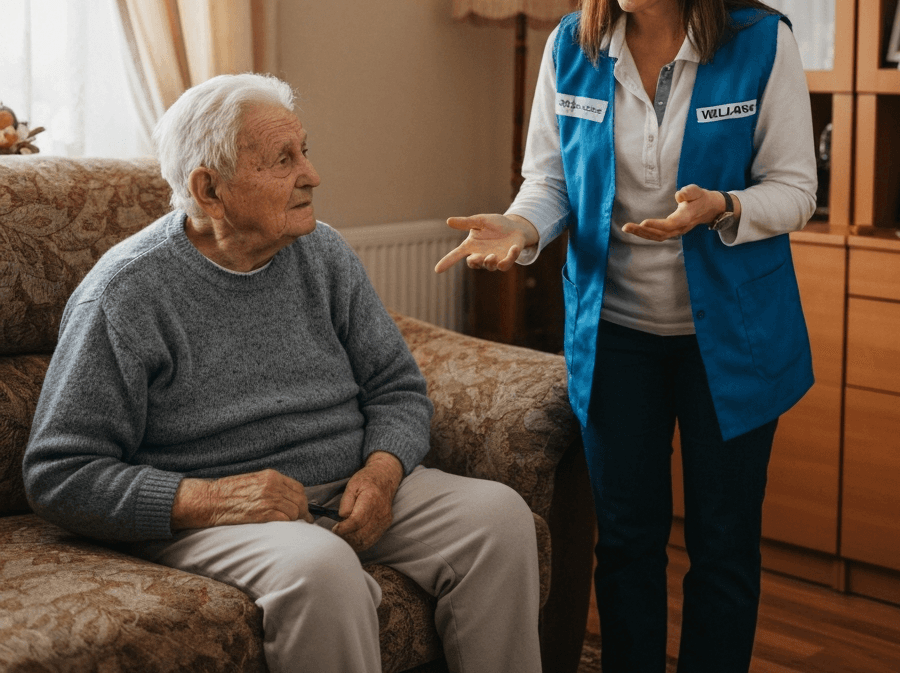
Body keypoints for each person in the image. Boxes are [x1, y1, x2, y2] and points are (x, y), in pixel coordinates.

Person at [436, 0, 817, 673]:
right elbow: (549, 181)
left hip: (733, 345)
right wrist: (521, 228)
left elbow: (796, 189)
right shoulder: (571, 47)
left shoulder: (759, 43)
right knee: (628, 542)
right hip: (617, 339)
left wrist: (724, 208)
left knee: (722, 548)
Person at [23, 73, 542, 673]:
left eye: (305, 151)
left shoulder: (322, 253)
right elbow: (58, 473)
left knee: (500, 520)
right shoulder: (126, 294)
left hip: (348, 483)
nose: (312, 175)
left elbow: (396, 388)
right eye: (282, 160)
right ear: (209, 190)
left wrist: (381, 473)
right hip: (217, 510)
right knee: (320, 569)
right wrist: (211, 499)